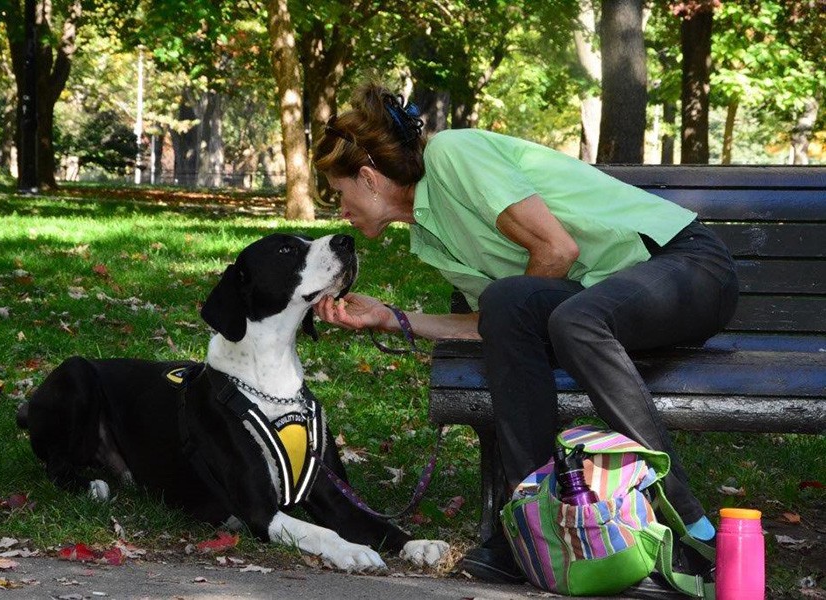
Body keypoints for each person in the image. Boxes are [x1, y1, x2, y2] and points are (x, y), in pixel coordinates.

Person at [312, 82, 738, 583]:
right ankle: (531, 528)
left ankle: (690, 525)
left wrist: (521, 316)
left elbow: (557, 251)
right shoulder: (429, 237)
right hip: (599, 309)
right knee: (510, 302)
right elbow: (492, 323)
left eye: (339, 194)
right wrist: (390, 317)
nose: (340, 210)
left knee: (562, 317)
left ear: (367, 178)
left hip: (683, 268)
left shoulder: (454, 154)